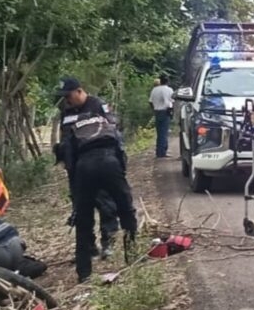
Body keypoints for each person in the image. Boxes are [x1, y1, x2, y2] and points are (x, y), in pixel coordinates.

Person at [57, 76, 139, 283]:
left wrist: (76, 174)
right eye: (64, 97)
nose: (67, 100)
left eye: (68, 96)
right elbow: (115, 140)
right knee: (123, 208)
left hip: (88, 164)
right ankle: (131, 257)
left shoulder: (99, 106)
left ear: (79, 91)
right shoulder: (66, 112)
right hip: (101, 164)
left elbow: (70, 149)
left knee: (102, 210)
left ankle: (90, 266)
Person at [149, 74, 175, 160]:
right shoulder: (169, 90)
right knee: (164, 132)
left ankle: (159, 151)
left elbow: (150, 102)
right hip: (165, 111)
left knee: (159, 132)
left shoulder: (154, 90)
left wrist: (154, 109)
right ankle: (162, 152)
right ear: (167, 81)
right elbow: (172, 101)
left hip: (157, 112)